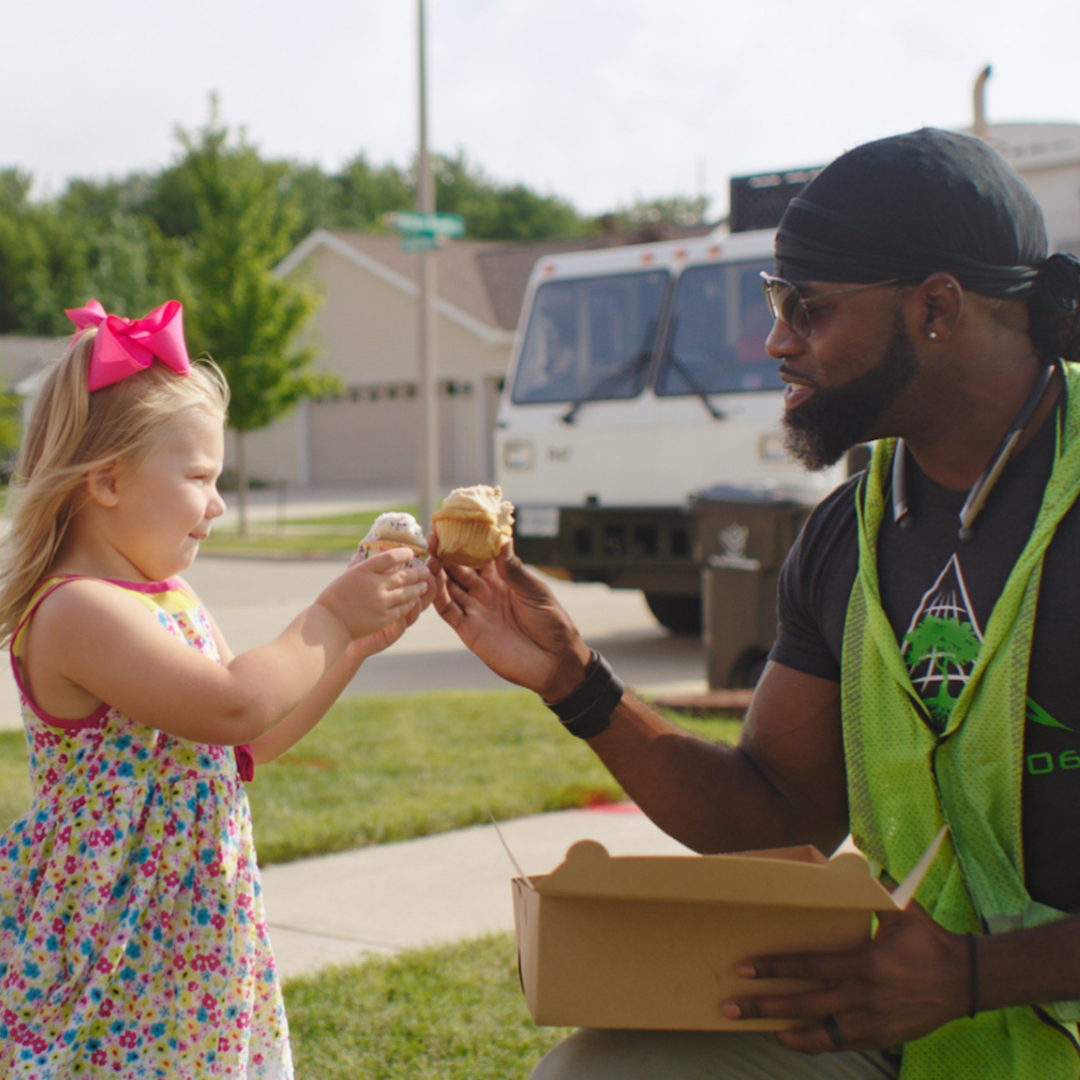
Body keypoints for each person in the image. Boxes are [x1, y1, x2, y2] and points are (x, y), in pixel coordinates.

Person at [430, 129, 1080, 1079]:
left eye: (807, 308)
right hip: (927, 1036)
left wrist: (977, 975)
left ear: (936, 307)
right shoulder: (847, 532)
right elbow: (775, 810)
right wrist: (578, 683)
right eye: (777, 304)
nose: (777, 340)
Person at [0, 300, 432, 1078]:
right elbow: (232, 702)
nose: (219, 504)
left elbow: (247, 737)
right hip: (116, 946)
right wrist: (330, 615)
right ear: (106, 480)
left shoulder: (168, 596)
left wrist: (353, 649)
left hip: (190, 937)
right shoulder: (76, 610)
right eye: (200, 477)